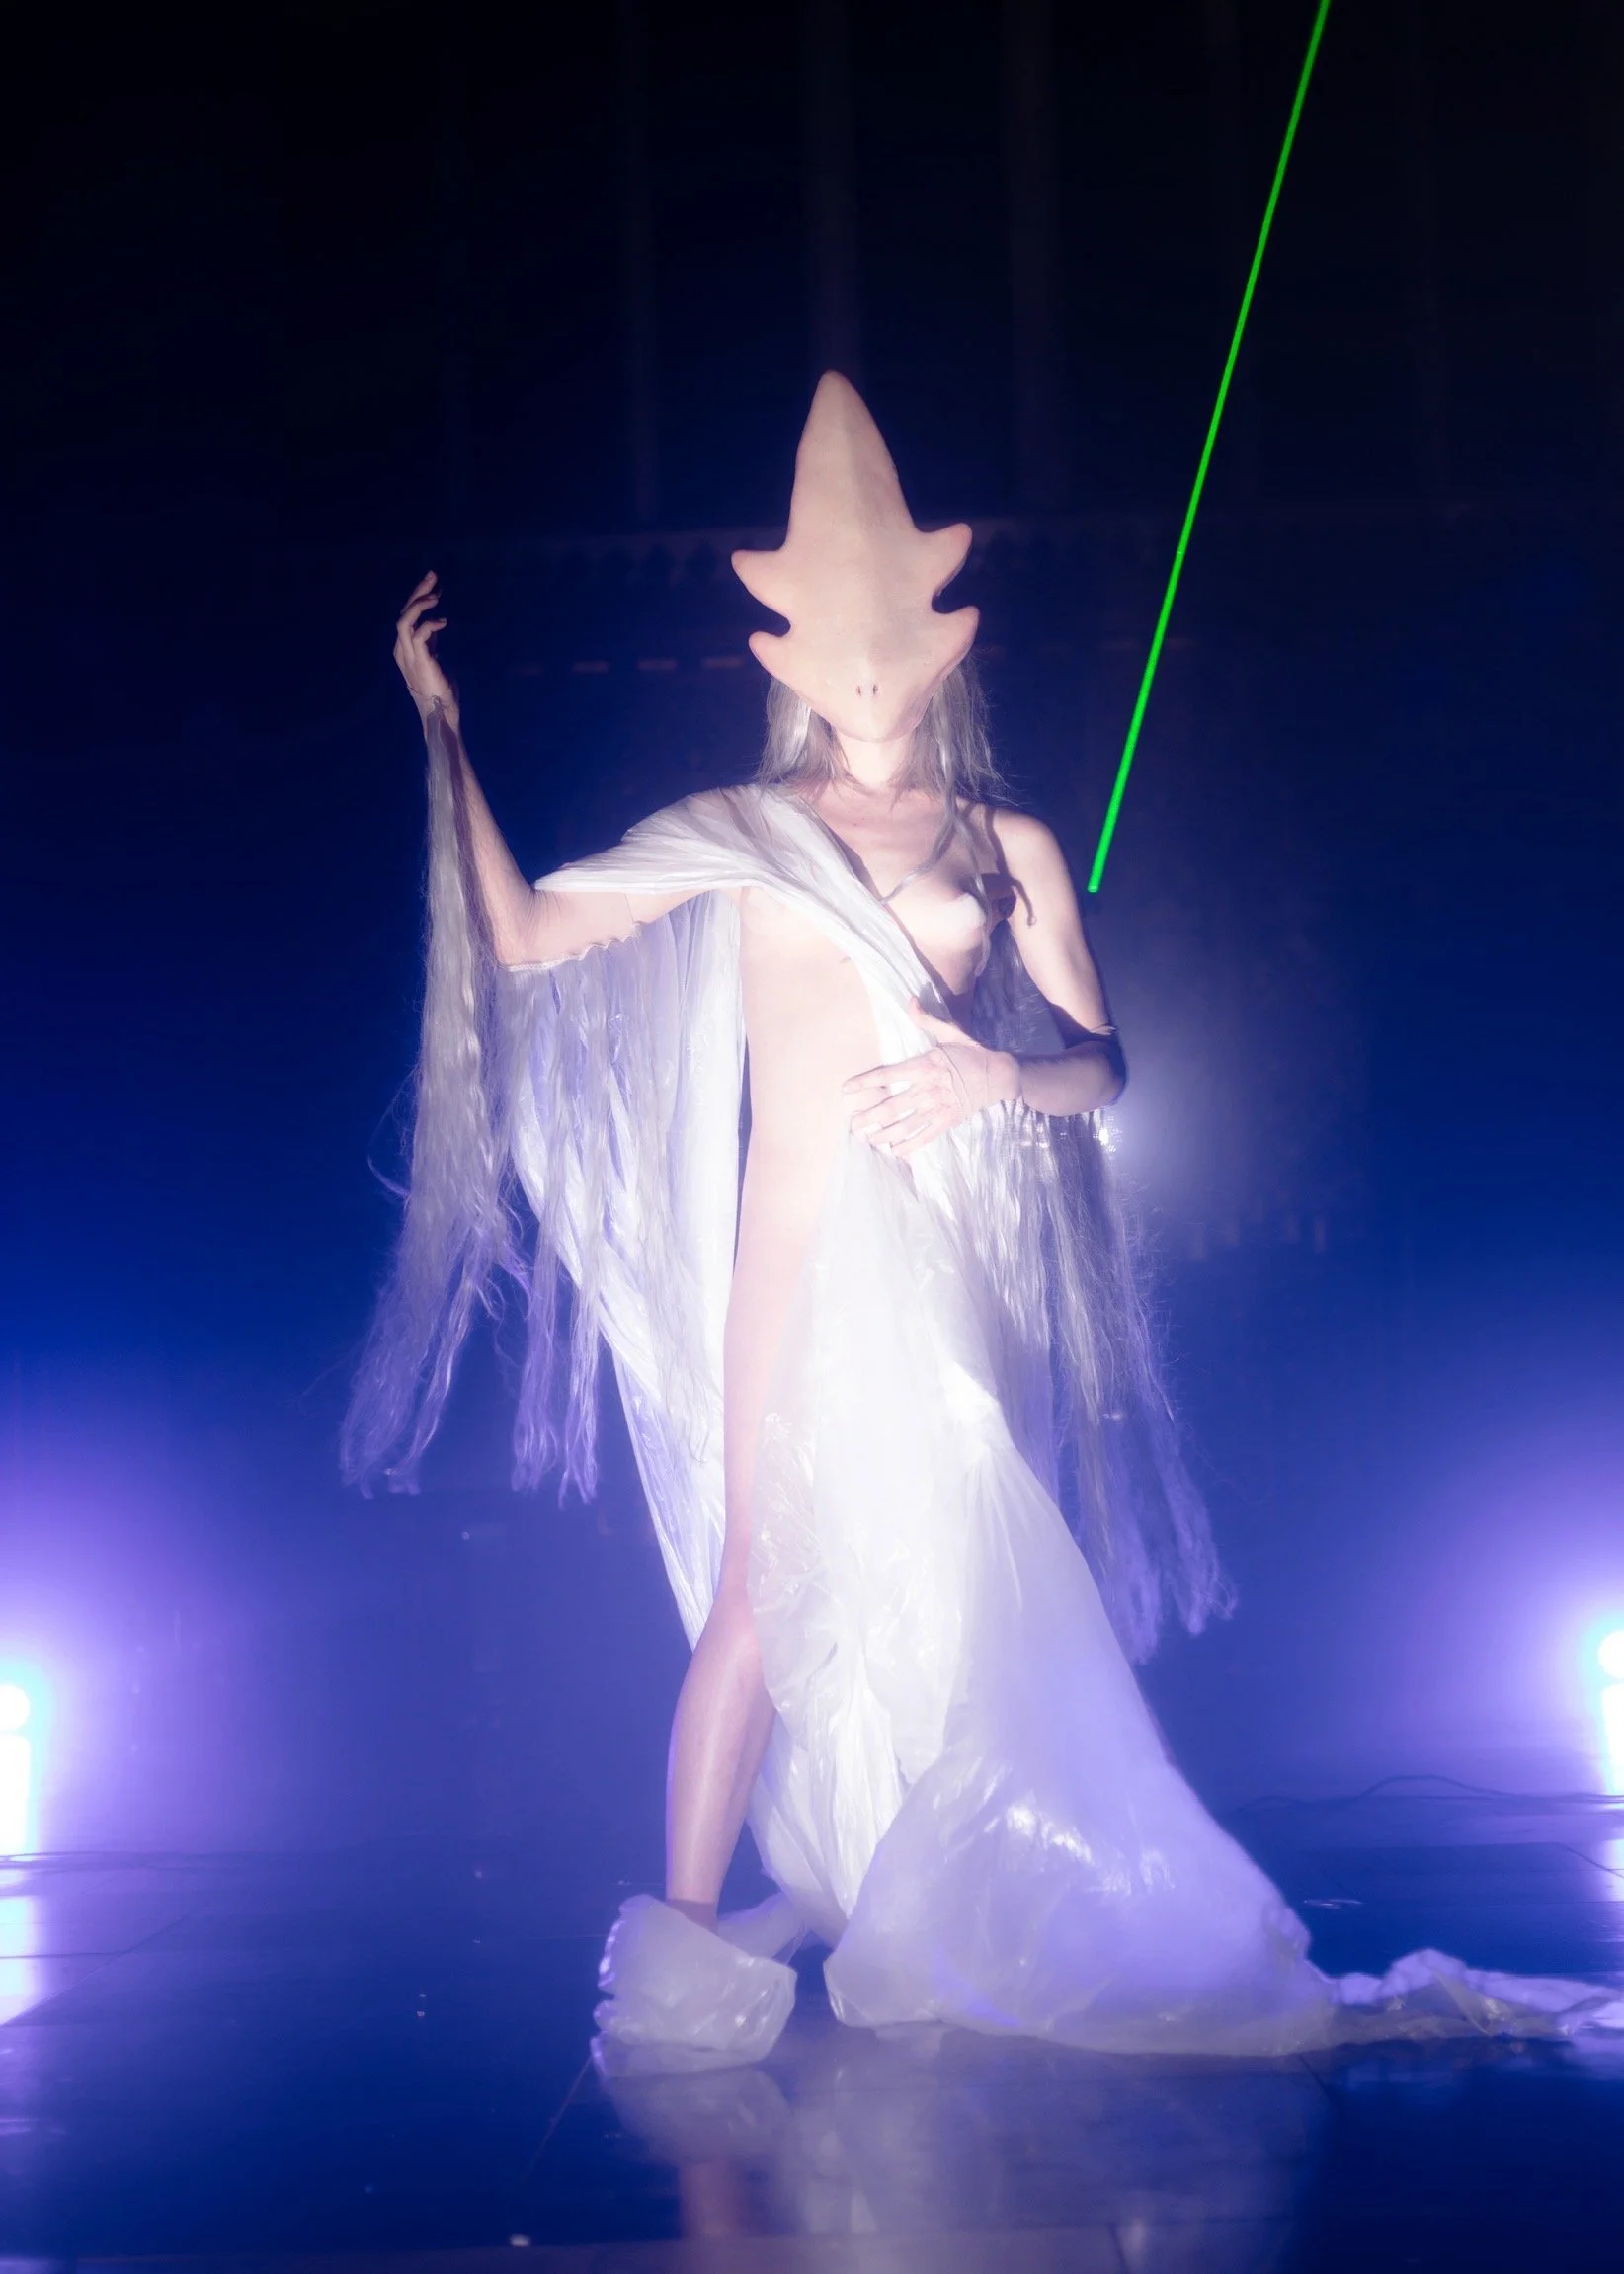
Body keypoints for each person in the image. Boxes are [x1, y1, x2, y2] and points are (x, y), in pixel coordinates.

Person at [347, 376, 1621, 2062]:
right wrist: (441, 730)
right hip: (789, 1252)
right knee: (756, 1588)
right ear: (785, 654)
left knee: (960, 1564)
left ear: (944, 643)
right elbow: (517, 939)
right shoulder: (742, 834)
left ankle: (965, 1893)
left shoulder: (1005, 840)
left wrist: (989, 1079)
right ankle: (691, 1943)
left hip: (939, 1251)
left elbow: (1101, 1062)